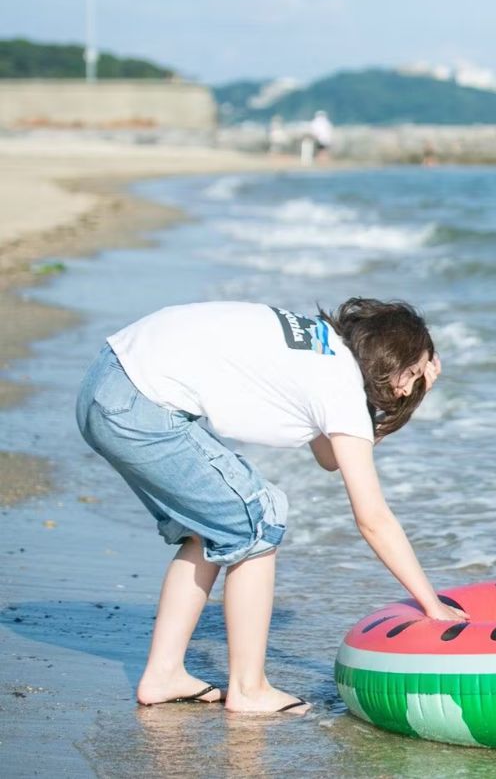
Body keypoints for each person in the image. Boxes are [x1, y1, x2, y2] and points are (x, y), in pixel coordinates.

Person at [76, 299, 465, 714]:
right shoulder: (340, 385)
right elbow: (373, 519)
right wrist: (431, 603)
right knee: (261, 518)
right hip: (136, 406)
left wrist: (412, 398)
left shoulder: (324, 349)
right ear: (393, 360)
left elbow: (330, 455)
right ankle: (249, 688)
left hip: (107, 383)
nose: (409, 389)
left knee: (211, 528)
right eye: (415, 374)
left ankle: (164, 674)